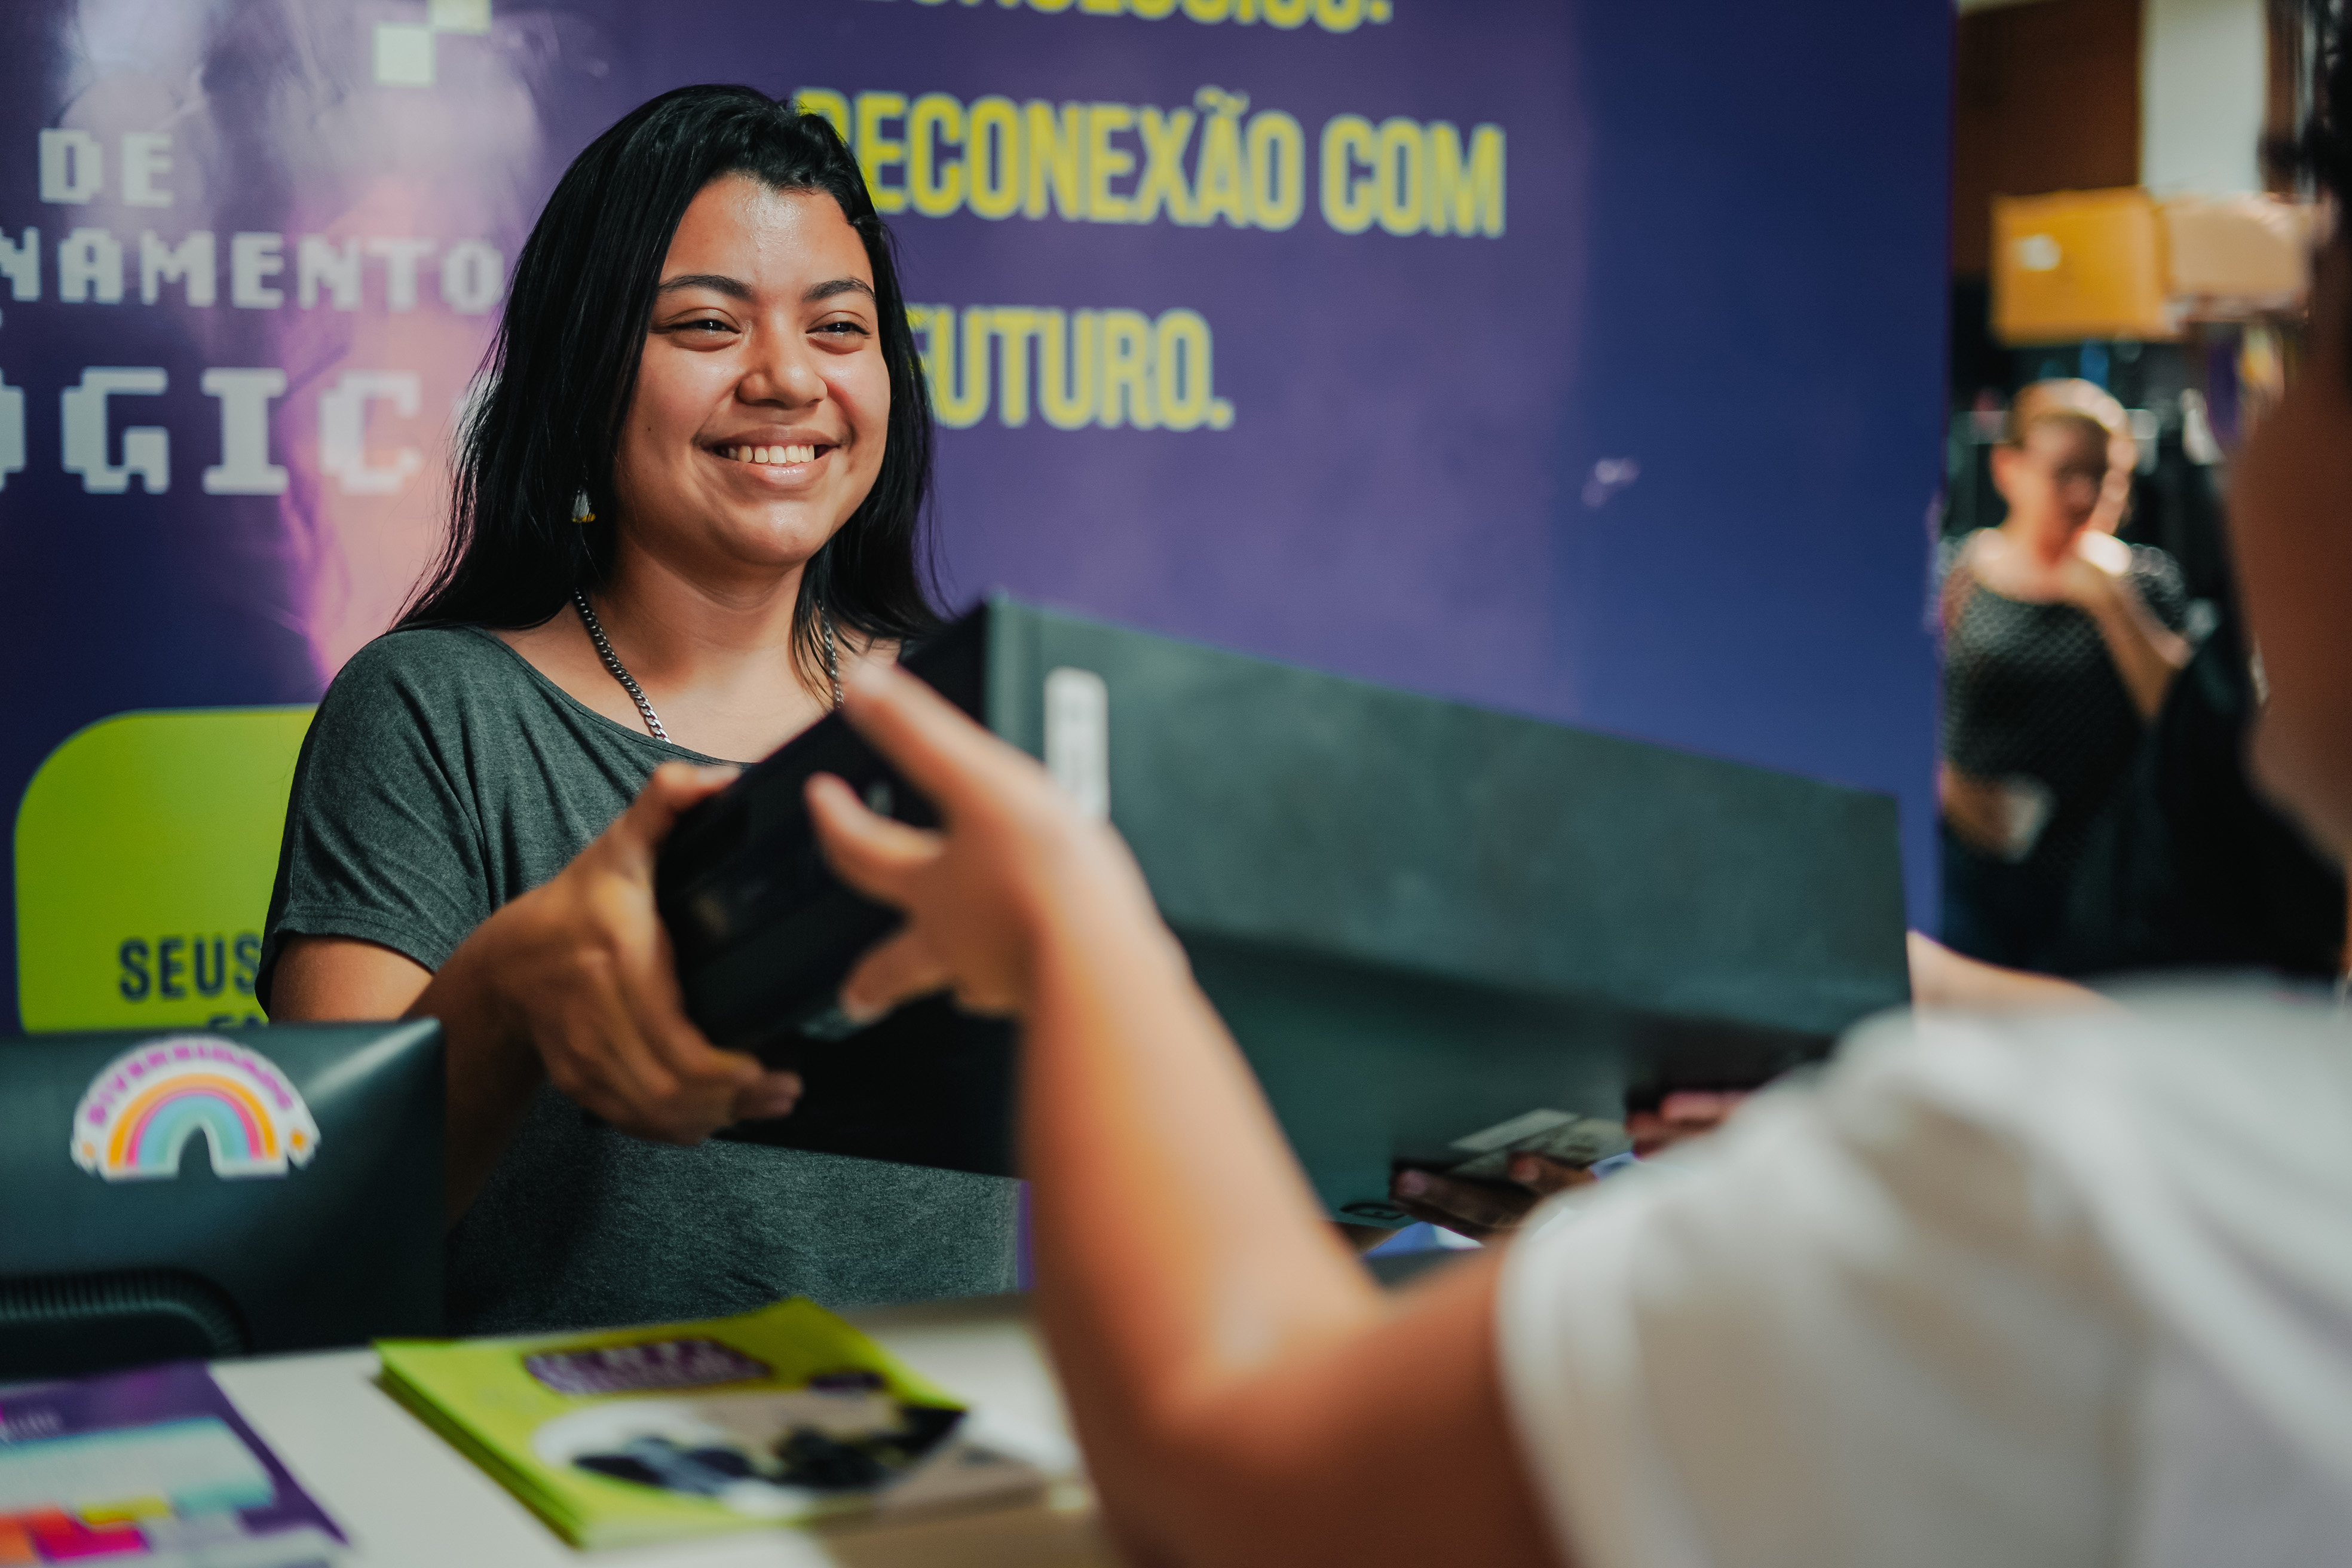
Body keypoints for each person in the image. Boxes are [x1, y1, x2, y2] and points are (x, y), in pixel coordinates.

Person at [787, 19, 2352, 1561]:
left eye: (2299, 346)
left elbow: (1249, 1470)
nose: (2256, 431)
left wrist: (1082, 922)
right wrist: (1855, 1008)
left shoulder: (2076, 1203)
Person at [259, 87, 1018, 1336]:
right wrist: (509, 985)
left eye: (841, 327)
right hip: (571, 1499)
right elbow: (322, 1221)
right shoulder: (431, 715)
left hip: (947, 1495)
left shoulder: (975, 722)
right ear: (585, 371)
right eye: (708, 325)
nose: (786, 379)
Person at [1939, 380, 2195, 969]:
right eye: (2065, 473)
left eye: (2104, 476)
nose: (2084, 495)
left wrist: (2115, 604)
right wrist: (1950, 789)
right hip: (1975, 870)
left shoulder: (2146, 582)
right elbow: (1908, 706)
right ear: (2010, 469)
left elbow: (2185, 725)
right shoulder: (1963, 574)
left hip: (2101, 876)